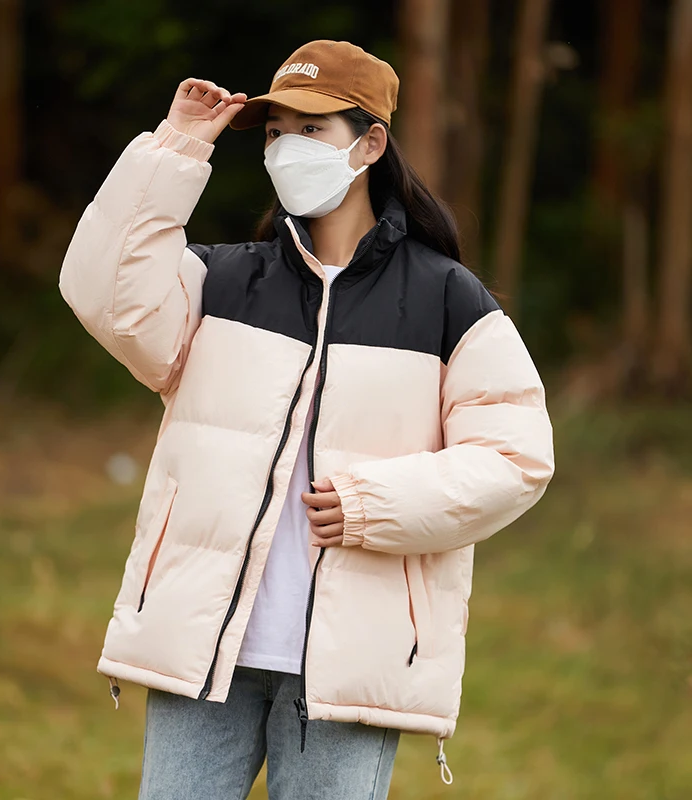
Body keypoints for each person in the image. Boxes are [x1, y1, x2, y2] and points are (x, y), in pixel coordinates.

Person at [59, 39, 555, 800]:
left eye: (312, 129)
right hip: (206, 650)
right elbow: (103, 292)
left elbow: (516, 460)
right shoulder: (219, 282)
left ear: (371, 144)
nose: (288, 147)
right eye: (275, 130)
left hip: (350, 664)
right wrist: (178, 147)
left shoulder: (449, 300)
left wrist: (371, 507)